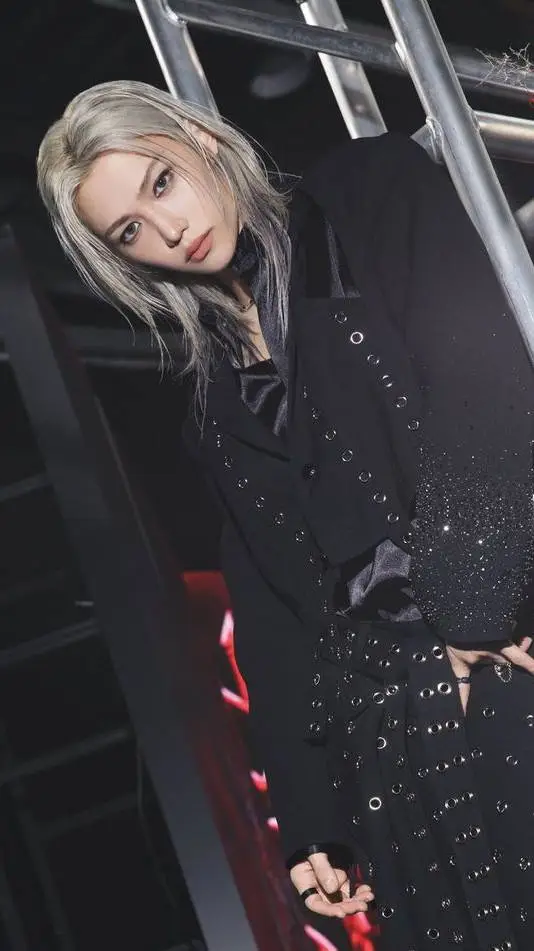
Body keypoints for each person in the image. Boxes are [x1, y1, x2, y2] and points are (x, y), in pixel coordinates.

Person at [37, 79, 534, 951]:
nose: (169, 231)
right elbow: (273, 610)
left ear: (197, 137)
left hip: (502, 652)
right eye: (130, 231)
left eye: (160, 182)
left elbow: (484, 382)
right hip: (396, 752)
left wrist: (471, 614)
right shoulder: (212, 405)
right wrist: (311, 823)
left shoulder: (365, 195)